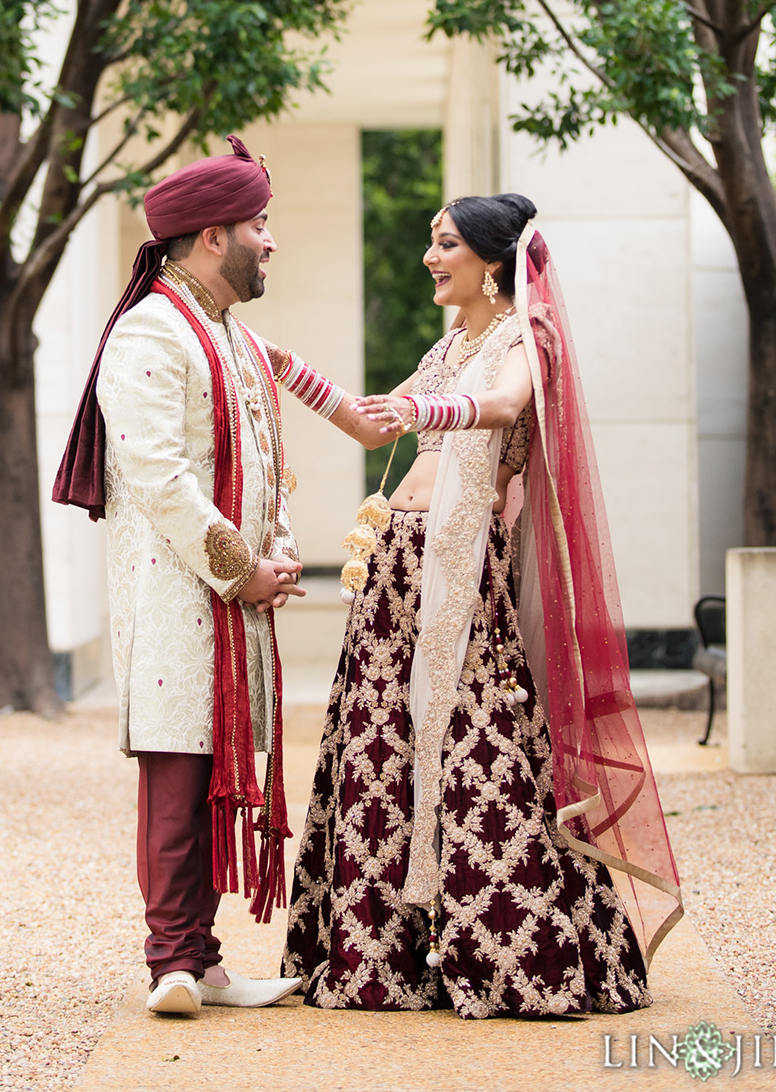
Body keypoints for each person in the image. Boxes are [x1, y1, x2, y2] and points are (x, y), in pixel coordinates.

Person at [266, 195, 681, 1017]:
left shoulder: (524, 339)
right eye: (430, 240)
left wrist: (428, 409)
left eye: (444, 242)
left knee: (477, 745)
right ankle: (383, 957)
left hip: (462, 569)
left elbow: (501, 408)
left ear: (492, 263)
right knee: (382, 744)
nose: (430, 256)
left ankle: (512, 953)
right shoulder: (450, 343)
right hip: (397, 565)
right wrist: (283, 367)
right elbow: (370, 426)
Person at [52, 136, 307, 1017]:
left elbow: (268, 456)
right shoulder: (153, 329)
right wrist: (242, 572)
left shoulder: (227, 332)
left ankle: (203, 961)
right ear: (211, 237)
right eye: (258, 225)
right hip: (177, 590)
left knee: (205, 778)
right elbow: (160, 478)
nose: (269, 241)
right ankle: (173, 961)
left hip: (230, 591)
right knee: (176, 770)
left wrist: (278, 547)